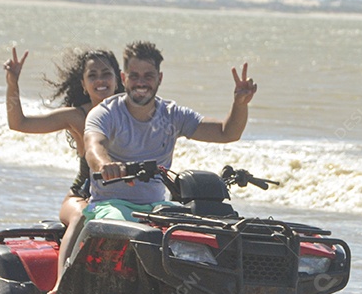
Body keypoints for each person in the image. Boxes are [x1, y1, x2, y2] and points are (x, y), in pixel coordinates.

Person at [83, 40, 257, 221]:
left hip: (156, 206)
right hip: (109, 205)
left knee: (207, 227)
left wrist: (240, 104)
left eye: (148, 76)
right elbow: (94, 146)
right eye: (134, 76)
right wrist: (104, 164)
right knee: (122, 225)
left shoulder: (172, 115)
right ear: (124, 78)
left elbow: (226, 132)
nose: (141, 83)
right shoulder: (105, 113)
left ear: (160, 78)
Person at [3, 45, 123, 294]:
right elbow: (19, 124)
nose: (100, 81)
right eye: (92, 75)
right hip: (81, 197)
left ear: (119, 78)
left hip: (123, 198)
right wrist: (12, 83)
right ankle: (62, 284)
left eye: (106, 74)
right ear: (83, 84)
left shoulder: (134, 114)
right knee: (83, 216)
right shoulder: (76, 116)